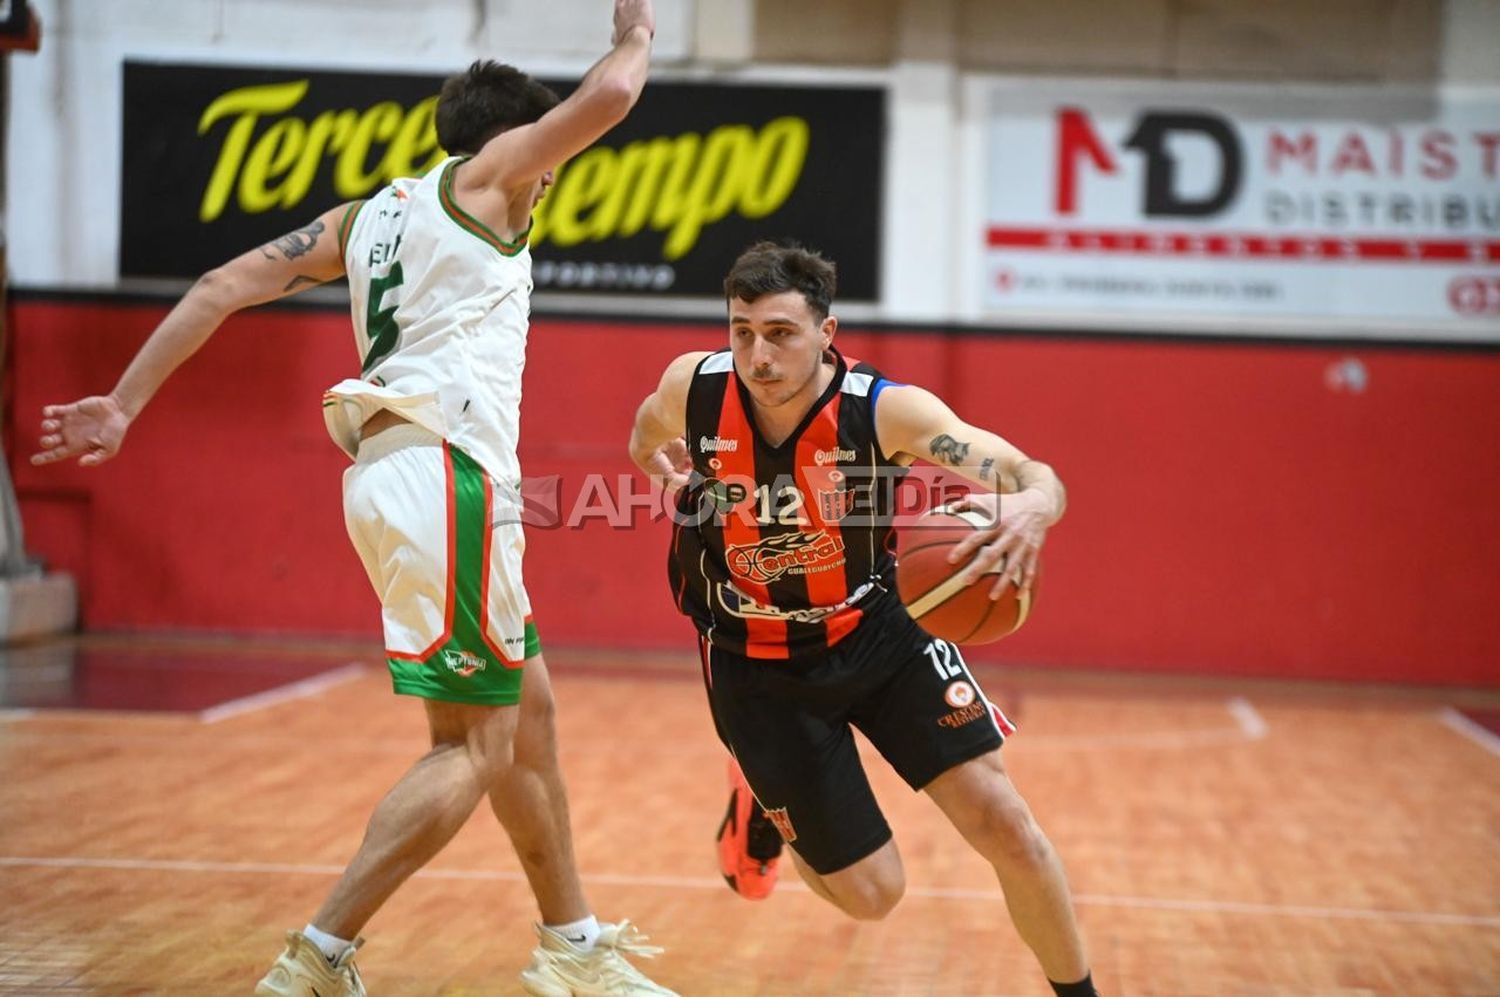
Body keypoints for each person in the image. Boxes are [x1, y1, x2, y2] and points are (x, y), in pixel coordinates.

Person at [31, 4, 676, 995]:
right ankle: (318, 956)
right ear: (509, 147)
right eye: (541, 161)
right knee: (474, 743)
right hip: (445, 473)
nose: (548, 177)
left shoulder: (366, 218)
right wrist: (636, 30)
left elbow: (218, 283)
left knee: (526, 712)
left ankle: (572, 945)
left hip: (390, 474)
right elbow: (616, 94)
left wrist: (123, 406)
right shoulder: (489, 181)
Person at [628, 241, 1099, 996]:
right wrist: (669, 476)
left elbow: (1029, 472)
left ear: (827, 332)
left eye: (780, 332)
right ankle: (758, 797)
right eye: (742, 330)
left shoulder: (884, 410)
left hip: (877, 628)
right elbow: (645, 433)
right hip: (755, 660)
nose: (757, 353)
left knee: (1006, 824)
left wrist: (1033, 505)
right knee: (874, 894)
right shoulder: (694, 386)